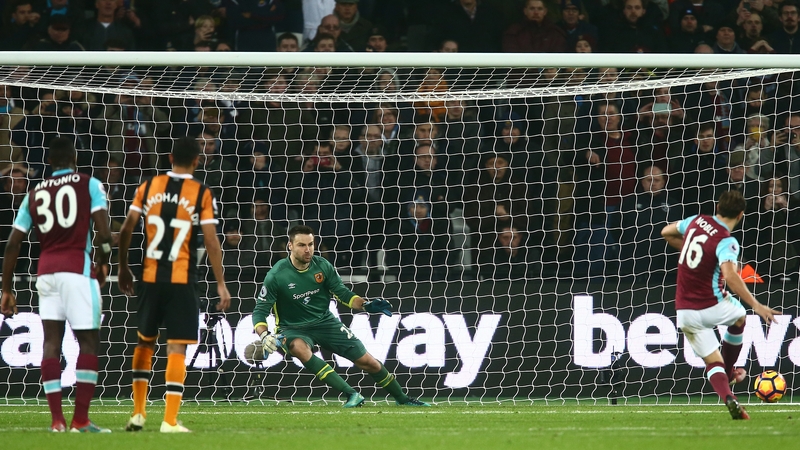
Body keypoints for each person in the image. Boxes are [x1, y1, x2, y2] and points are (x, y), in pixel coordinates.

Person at [117, 137, 231, 433]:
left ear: (170, 158)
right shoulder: (201, 192)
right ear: (196, 161)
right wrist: (221, 283)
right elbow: (211, 240)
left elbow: (127, 227)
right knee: (176, 346)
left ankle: (138, 413)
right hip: (182, 280)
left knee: (144, 342)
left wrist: (123, 267)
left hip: (150, 277)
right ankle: (169, 420)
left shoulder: (148, 187)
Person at [1, 137, 113, 433]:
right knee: (87, 341)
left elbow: (12, 244)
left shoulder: (35, 193)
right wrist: (104, 261)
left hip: (46, 272)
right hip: (77, 269)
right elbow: (104, 233)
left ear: (49, 162)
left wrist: (7, 289)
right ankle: (81, 420)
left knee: (51, 342)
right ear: (74, 160)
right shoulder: (89, 184)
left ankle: (57, 421)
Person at [252, 224, 430, 407]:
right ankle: (351, 394)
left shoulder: (322, 266)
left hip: (325, 322)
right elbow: (259, 312)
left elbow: (343, 294)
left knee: (368, 362)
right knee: (298, 347)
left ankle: (403, 399)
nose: (308, 250)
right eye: (301, 245)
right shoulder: (276, 275)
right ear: (290, 245)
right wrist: (264, 335)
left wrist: (365, 305)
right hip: (293, 328)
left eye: (311, 244)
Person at [661, 190, 778, 420]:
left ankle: (728, 396)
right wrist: (757, 305)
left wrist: (692, 251)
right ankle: (729, 372)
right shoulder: (727, 241)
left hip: (684, 311)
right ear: (741, 215)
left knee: (712, 360)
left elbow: (666, 232)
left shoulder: (696, 221)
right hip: (711, 304)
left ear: (717, 207)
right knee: (740, 317)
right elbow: (731, 276)